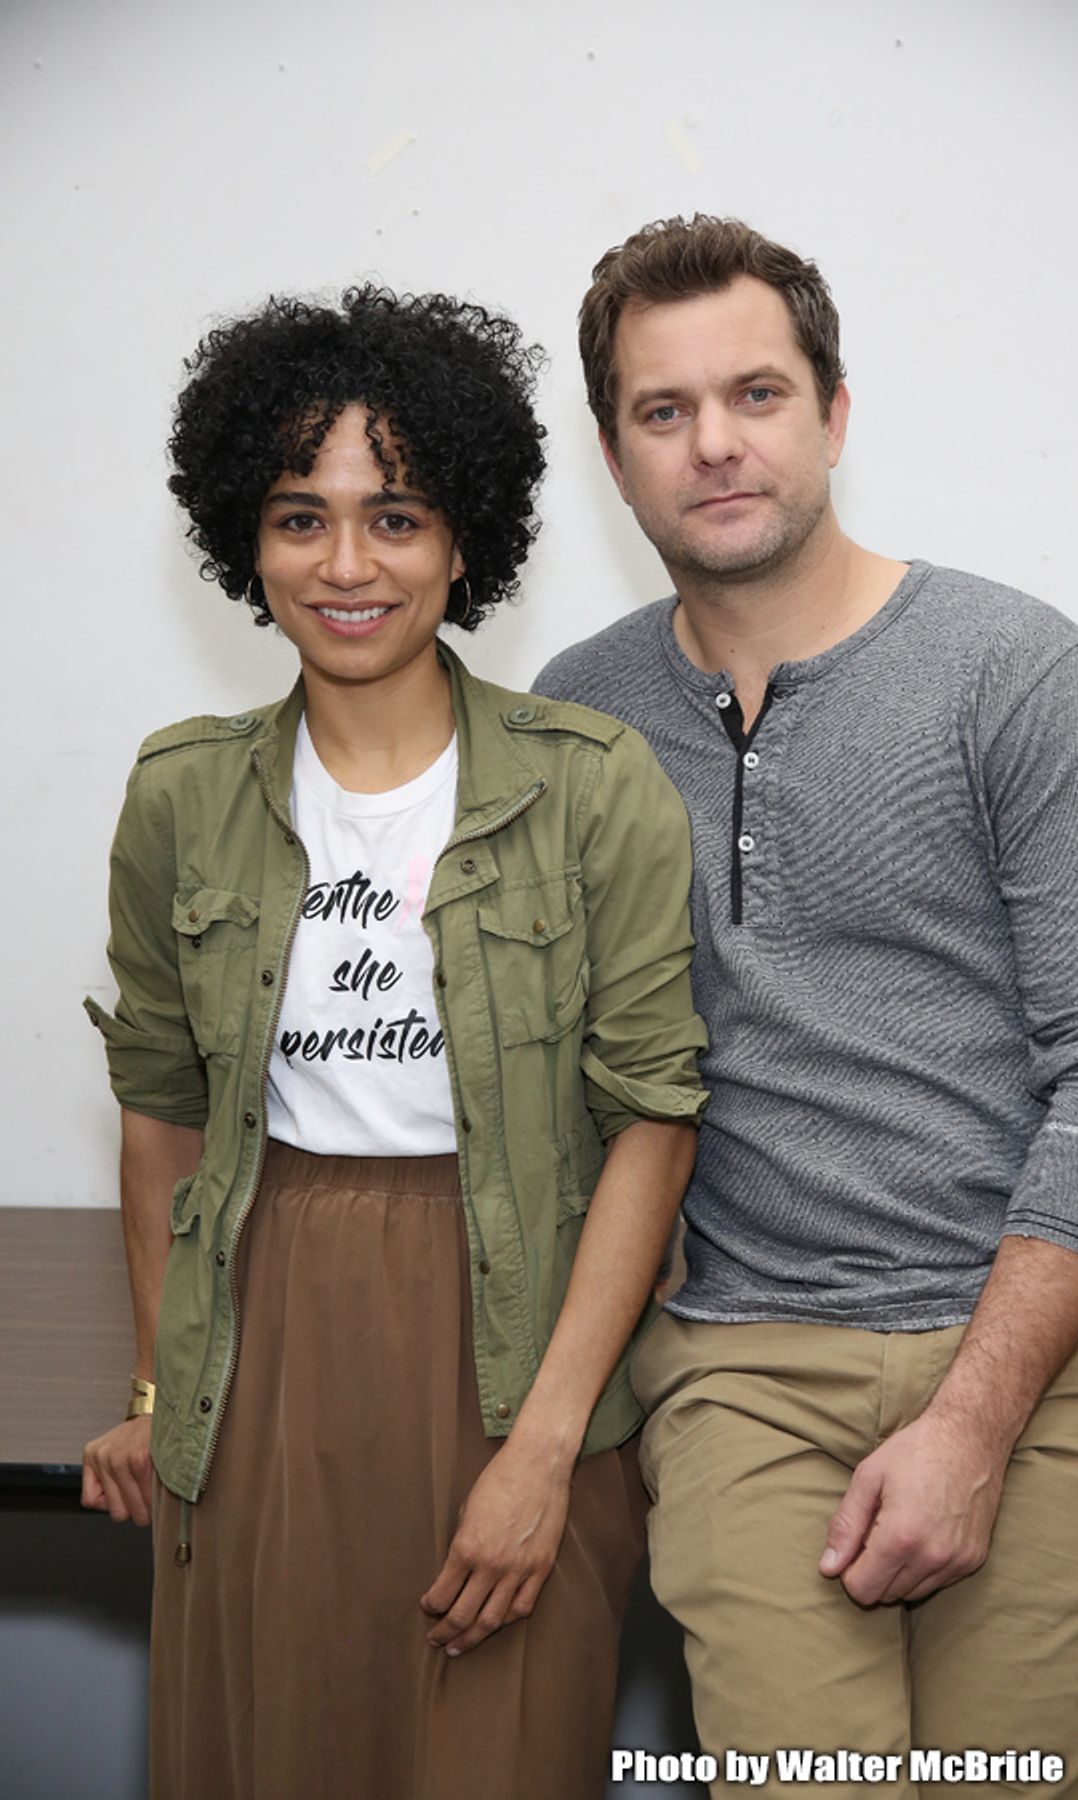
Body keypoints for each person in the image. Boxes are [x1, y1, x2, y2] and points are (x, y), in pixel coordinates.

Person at [534, 215, 1078, 1798]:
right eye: (663, 412)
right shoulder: (579, 718)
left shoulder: (1016, 670)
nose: (716, 445)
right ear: (617, 462)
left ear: (834, 413)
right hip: (747, 1362)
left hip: (1059, 1350)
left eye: (757, 394)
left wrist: (973, 1422)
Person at [80, 285, 707, 1800]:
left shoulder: (590, 786)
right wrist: (171, 1394)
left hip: (522, 1342)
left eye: (398, 516)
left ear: (464, 538)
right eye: (301, 518)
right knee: (269, 1749)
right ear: (248, 540)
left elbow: (654, 1122)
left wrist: (548, 1448)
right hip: (267, 1333)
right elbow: (163, 1118)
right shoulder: (180, 797)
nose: (348, 565)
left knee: (497, 1751)